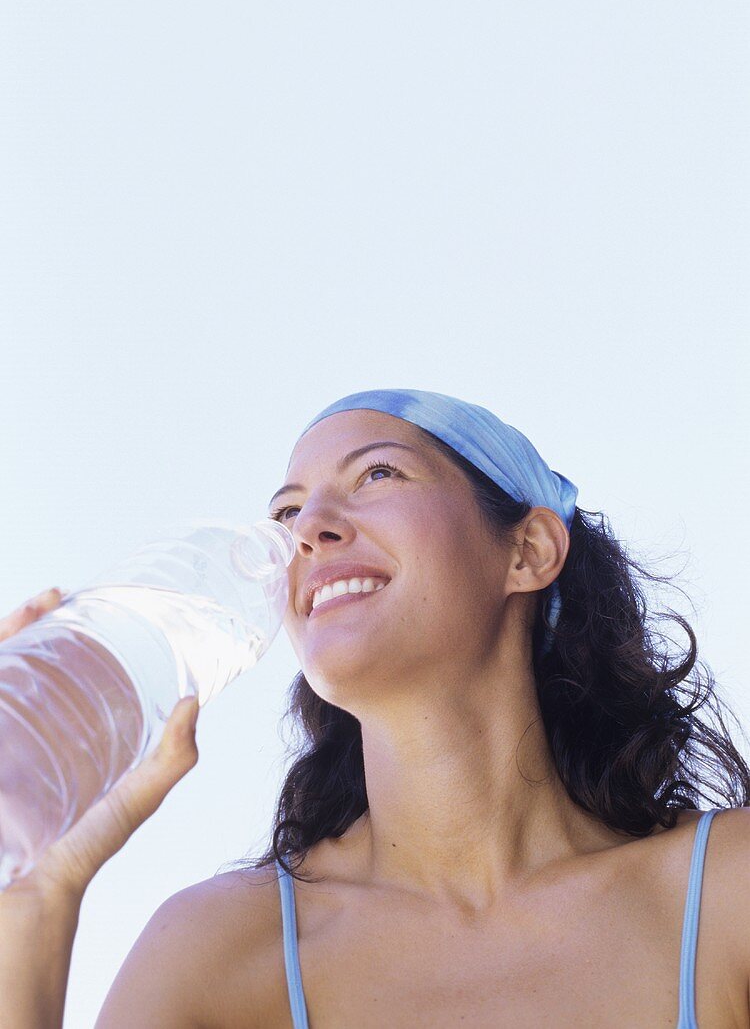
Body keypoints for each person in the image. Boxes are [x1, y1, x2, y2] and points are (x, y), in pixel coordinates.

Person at [2, 387, 750, 1028]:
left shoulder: (725, 890)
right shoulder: (218, 947)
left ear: (527, 551)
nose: (307, 531)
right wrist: (37, 901)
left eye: (378, 473)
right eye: (286, 512)